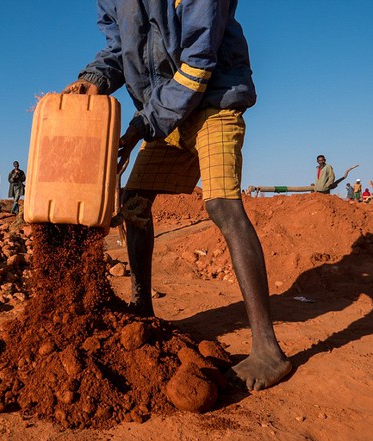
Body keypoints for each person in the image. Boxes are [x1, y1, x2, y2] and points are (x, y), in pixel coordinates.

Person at [63, 0, 291, 391]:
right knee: (133, 203)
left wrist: (142, 125)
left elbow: (199, 62)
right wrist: (93, 80)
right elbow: (119, 50)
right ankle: (142, 308)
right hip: (165, 113)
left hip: (214, 103)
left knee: (222, 206)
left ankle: (269, 350)